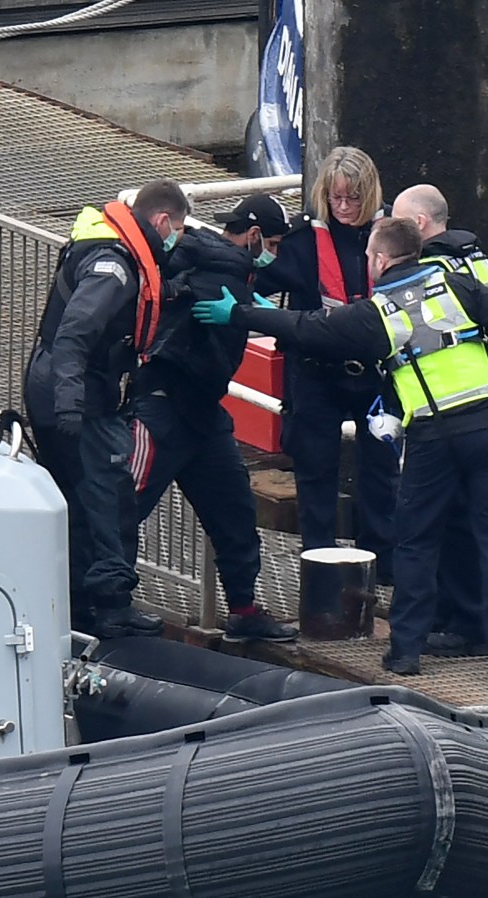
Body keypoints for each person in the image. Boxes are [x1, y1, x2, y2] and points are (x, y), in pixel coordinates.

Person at [192, 217, 488, 684]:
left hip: (431, 438)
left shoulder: (377, 311)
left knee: (415, 542)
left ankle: (405, 653)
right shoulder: (460, 287)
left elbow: (309, 327)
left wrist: (242, 314)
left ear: (380, 259)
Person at [23, 178, 190, 639]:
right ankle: (111, 604)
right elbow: (77, 331)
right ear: (161, 221)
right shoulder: (113, 267)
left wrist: (174, 291)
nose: (176, 239)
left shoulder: (109, 246)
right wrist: (71, 402)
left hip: (57, 384)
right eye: (176, 230)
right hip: (76, 392)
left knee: (75, 497)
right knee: (111, 496)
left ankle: (75, 600)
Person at [130, 194, 298, 642]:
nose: (274, 256)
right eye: (274, 244)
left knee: (235, 510)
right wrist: (248, 307)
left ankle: (244, 609)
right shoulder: (222, 269)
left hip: (203, 410)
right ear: (255, 235)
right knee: (121, 509)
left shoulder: (221, 265)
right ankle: (102, 604)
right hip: (164, 406)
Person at [253, 146, 399, 585]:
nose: (344, 208)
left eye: (353, 199)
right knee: (315, 474)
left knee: (381, 474)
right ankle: (319, 571)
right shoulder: (301, 240)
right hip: (315, 373)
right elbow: (257, 277)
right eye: (336, 199)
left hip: (376, 376)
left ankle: (383, 571)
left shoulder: (393, 234)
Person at [392, 183, 488, 659]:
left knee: (426, 532)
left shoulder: (424, 274)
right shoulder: (478, 261)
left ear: (420, 225)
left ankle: (427, 636)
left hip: (436, 419)